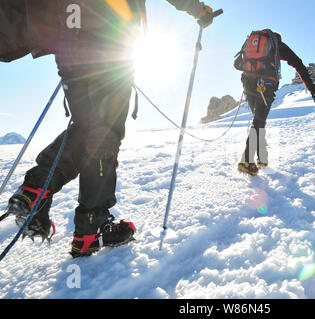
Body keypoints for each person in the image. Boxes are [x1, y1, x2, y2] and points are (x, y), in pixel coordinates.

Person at [5, 0, 216, 258]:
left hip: (71, 47)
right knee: (104, 135)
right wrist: (199, 10)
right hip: (110, 46)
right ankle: (89, 230)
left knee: (88, 129)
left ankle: (35, 191)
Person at [234, 29, 315, 176]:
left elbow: (237, 64)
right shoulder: (276, 43)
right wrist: (309, 85)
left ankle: (262, 157)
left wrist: (252, 68)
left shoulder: (250, 42)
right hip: (265, 84)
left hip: (248, 82)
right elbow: (297, 63)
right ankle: (247, 160)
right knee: (259, 120)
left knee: (258, 119)